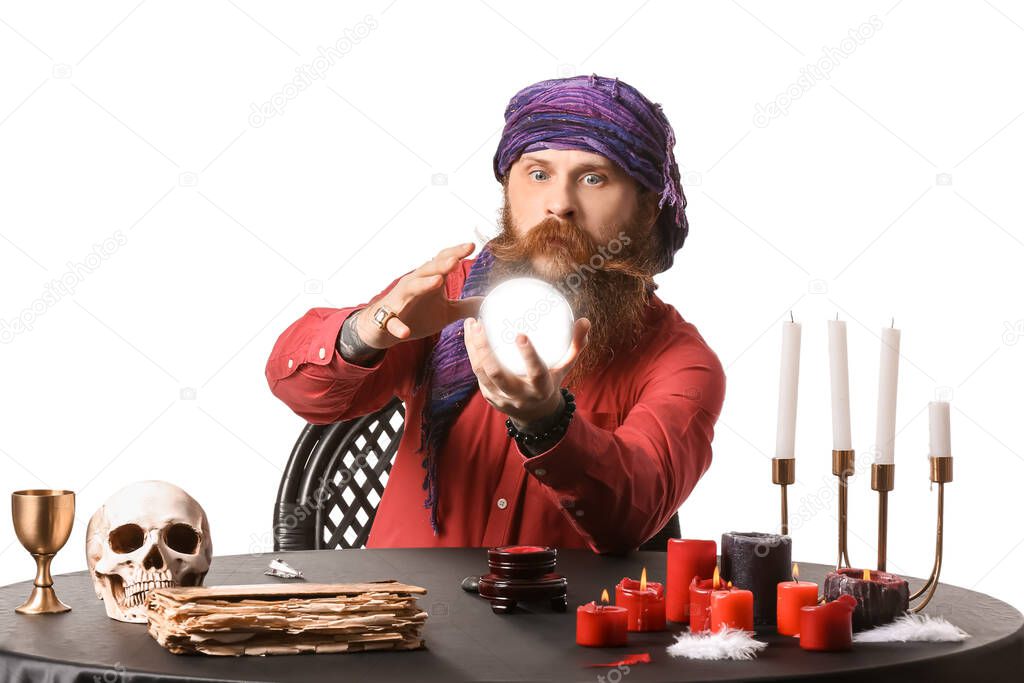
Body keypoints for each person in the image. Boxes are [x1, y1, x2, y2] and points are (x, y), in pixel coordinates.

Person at [265, 74, 726, 554]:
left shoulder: (680, 360)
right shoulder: (445, 295)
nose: (559, 204)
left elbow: (631, 516)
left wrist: (546, 423)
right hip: (406, 617)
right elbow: (302, 390)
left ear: (649, 208)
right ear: (509, 186)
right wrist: (372, 329)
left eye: (593, 178)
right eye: (538, 173)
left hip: (565, 624)